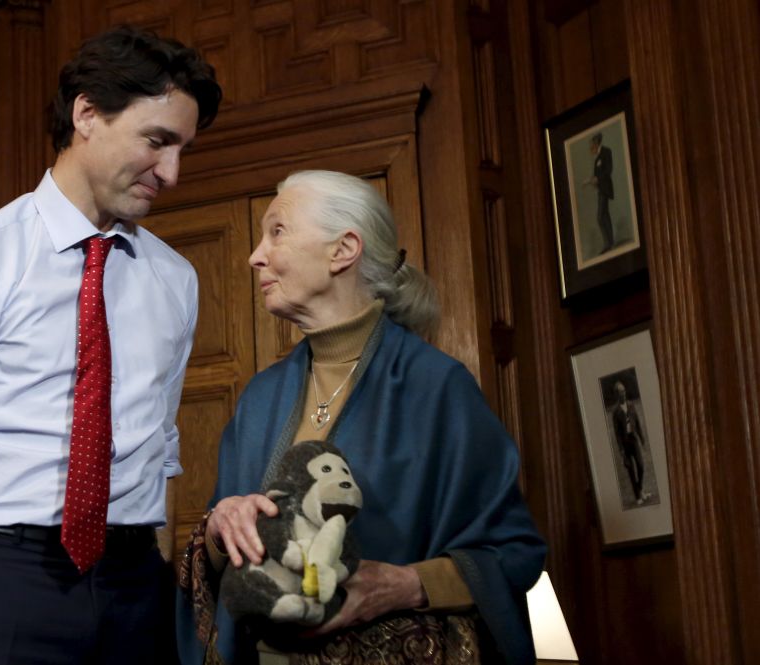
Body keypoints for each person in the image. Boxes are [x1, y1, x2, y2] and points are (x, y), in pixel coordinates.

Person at [0, 26, 221, 665]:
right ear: (87, 114)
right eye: (156, 141)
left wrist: (156, 578)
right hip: (6, 577)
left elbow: (161, 447)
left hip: (137, 585)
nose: (171, 174)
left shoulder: (176, 279)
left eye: (183, 150)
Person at [177, 170, 547, 665]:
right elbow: (216, 553)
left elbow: (514, 552)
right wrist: (220, 528)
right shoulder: (260, 398)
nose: (255, 256)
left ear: (344, 250)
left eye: (277, 231)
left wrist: (403, 585)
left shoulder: (437, 387)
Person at [611, 381, 649, 505]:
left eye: (624, 390)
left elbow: (637, 422)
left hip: (634, 439)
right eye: (621, 392)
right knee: (631, 471)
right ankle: (638, 497)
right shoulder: (615, 412)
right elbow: (617, 433)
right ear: (617, 395)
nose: (624, 393)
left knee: (641, 465)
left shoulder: (631, 405)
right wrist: (621, 451)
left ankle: (640, 489)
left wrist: (642, 439)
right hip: (625, 444)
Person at [585, 132, 615, 253]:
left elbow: (608, 170)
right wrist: (592, 180)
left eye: (592, 144)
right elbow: (598, 174)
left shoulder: (606, 152)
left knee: (600, 217)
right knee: (605, 215)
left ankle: (608, 244)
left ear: (597, 143)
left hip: (605, 189)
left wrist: (597, 179)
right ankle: (610, 243)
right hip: (601, 190)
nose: (591, 147)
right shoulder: (597, 158)